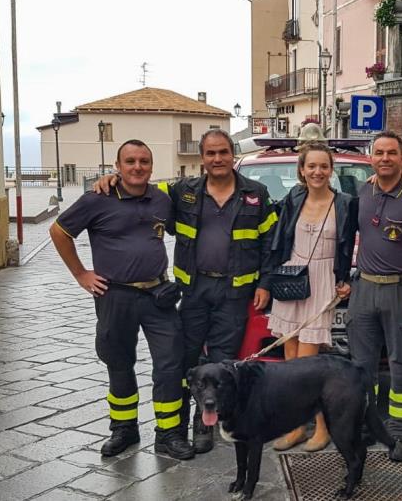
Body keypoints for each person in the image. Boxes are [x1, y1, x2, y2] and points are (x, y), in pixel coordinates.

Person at [95, 129, 278, 454]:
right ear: (202, 158)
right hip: (193, 290)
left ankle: (204, 425)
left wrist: (265, 283)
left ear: (232, 154)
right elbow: (140, 187)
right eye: (210, 154)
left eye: (223, 152)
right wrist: (112, 178)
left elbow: (271, 244)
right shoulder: (182, 191)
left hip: (235, 293)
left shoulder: (257, 194)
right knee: (185, 361)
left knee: (223, 363)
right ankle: (174, 430)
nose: (217, 159)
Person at [50, 140, 194, 460]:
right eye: (130, 161)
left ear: (152, 167)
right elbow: (59, 232)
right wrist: (80, 274)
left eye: (144, 161)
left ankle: (169, 433)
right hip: (115, 295)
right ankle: (124, 429)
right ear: (118, 166)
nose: (137, 167)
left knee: (170, 363)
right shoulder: (96, 199)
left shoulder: (161, 198)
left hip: (158, 295)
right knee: (118, 362)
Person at [346, 131, 402, 462]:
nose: (385, 158)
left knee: (401, 364)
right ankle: (369, 424)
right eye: (379, 152)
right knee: (362, 366)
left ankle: (400, 431)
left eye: (391, 153)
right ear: (372, 157)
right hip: (364, 288)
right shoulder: (363, 189)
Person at [267, 142, 357, 452]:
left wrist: (345, 278)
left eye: (323, 166)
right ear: (302, 171)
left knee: (307, 366)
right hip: (291, 279)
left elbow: (348, 245)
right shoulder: (293, 198)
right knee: (292, 362)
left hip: (321, 282)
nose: (317, 172)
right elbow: (277, 234)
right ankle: (296, 428)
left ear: (331, 170)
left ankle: (322, 427)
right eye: (311, 167)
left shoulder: (345, 203)